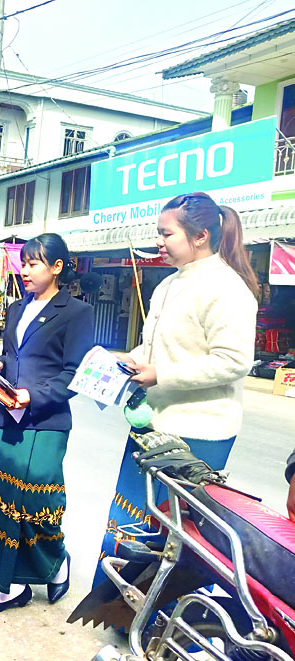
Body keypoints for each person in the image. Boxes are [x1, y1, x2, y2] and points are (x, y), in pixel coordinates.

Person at [93, 192, 258, 587]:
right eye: (159, 233)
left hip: (196, 434)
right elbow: (156, 348)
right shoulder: (168, 284)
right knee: (128, 522)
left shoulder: (227, 288)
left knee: (174, 537)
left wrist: (161, 375)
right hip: (151, 426)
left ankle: (161, 616)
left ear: (200, 236)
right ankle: (118, 607)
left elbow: (233, 361)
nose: (159, 242)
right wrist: (129, 361)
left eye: (166, 234)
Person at [0, 234, 94, 613]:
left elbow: (75, 374)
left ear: (57, 267)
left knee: (38, 500)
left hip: (46, 420)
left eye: (33, 264)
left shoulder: (76, 312)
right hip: (8, 415)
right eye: (22, 263)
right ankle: (10, 585)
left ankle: (55, 561)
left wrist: (34, 395)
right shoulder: (16, 308)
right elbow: (13, 355)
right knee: (3, 500)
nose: (24, 271)